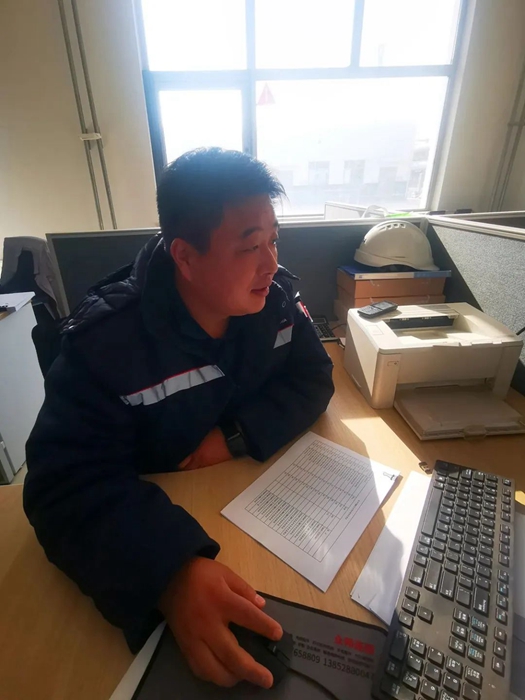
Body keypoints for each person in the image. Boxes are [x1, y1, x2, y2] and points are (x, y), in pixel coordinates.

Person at [24, 148, 334, 689]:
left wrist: (232, 437)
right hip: (158, 520)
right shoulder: (106, 345)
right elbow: (62, 486)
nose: (270, 263)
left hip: (249, 508)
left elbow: (313, 378)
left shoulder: (275, 300)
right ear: (185, 258)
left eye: (274, 240)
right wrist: (169, 572)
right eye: (250, 246)